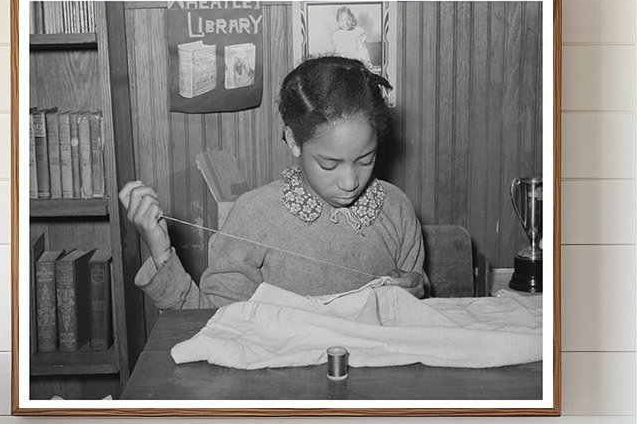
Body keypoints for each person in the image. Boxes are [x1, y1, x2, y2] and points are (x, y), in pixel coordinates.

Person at [118, 55, 427, 312]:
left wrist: (416, 292)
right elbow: (208, 323)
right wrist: (160, 250)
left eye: (365, 159)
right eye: (329, 164)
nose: (350, 182)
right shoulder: (255, 215)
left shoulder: (395, 209)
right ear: (294, 139)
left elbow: (417, 301)